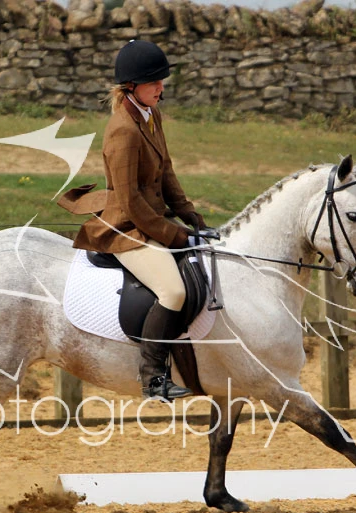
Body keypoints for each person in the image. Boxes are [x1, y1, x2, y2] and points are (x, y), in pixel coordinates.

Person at [60, 39, 208, 400]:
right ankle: (153, 377)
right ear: (131, 86)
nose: (160, 88)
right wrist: (175, 235)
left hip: (150, 219)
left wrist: (187, 212)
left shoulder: (151, 115)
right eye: (153, 82)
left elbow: (166, 170)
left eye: (161, 81)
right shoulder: (122, 130)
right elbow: (129, 202)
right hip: (126, 228)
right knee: (173, 291)